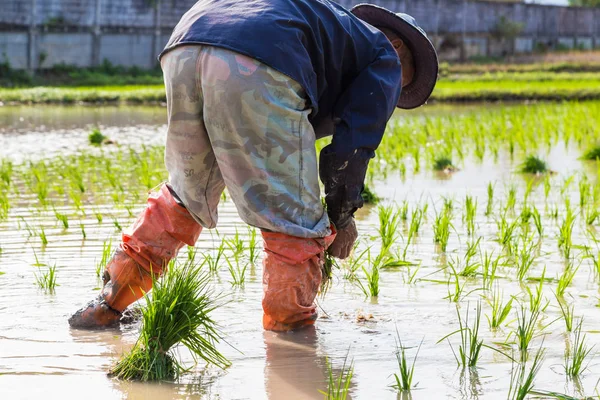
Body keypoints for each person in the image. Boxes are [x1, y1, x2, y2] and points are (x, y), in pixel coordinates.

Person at [69, 1, 438, 331]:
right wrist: (341, 219)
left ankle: (106, 306)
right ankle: (291, 341)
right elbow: (352, 150)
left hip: (188, 40)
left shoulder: (334, 33)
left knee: (184, 195)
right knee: (295, 224)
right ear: (397, 47)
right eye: (400, 82)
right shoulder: (382, 55)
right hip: (260, 58)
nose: (393, 91)